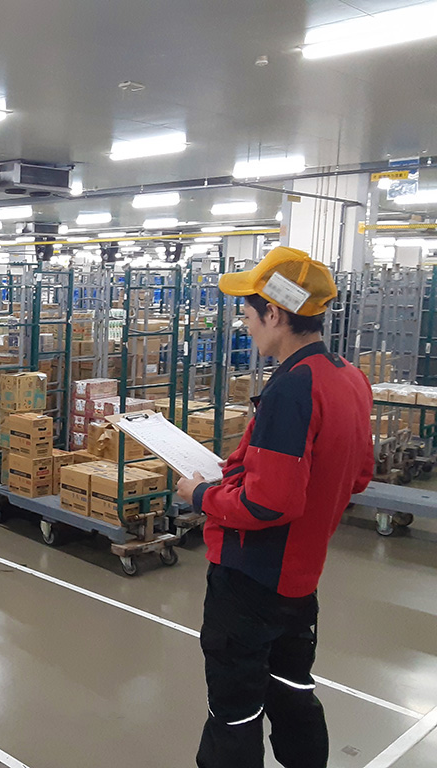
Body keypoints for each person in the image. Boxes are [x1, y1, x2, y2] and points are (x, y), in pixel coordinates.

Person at [174, 246, 374, 768]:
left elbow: (269, 504)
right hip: (301, 578)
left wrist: (201, 494)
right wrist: (246, 470)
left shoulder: (292, 387)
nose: (244, 323)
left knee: (235, 712)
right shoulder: (349, 377)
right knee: (292, 691)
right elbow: (357, 473)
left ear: (276, 313)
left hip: (251, 581)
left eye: (248, 312)